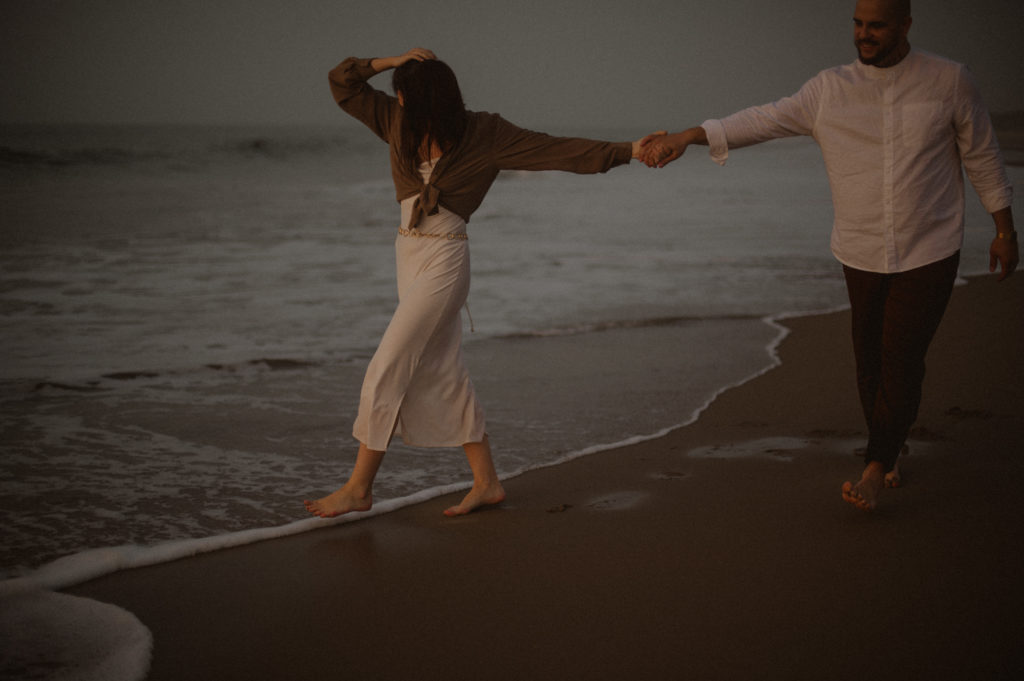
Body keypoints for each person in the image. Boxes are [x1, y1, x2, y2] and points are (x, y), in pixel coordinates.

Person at [639, 0, 1017, 511]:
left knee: (901, 357)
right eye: (858, 24)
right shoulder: (828, 90)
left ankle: (875, 465)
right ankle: (890, 443)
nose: (865, 34)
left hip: (930, 246)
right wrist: (689, 134)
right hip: (859, 247)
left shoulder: (950, 81)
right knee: (869, 360)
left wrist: (1004, 228)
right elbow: (763, 119)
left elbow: (982, 153)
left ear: (905, 24)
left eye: (877, 25)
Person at [304, 48, 644, 518]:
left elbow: (557, 150)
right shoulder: (394, 120)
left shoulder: (484, 134)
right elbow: (343, 83)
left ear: (419, 101)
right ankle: (487, 484)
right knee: (442, 370)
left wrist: (630, 151)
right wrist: (392, 61)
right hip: (407, 254)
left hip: (444, 260)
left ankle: (358, 488)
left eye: (401, 96)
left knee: (387, 365)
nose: (395, 102)